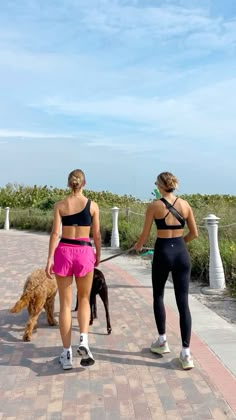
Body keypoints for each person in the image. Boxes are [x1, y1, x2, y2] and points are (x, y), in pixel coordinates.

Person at [134, 172, 198, 370]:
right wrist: (179, 244)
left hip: (162, 252)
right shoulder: (185, 205)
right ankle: (186, 354)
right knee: (183, 302)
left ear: (160, 186)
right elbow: (194, 234)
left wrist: (138, 246)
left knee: (158, 296)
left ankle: (162, 342)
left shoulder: (154, 206)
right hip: (180, 253)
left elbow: (144, 236)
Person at [45, 169, 101, 370]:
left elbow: (54, 233)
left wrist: (50, 259)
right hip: (85, 252)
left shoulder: (60, 205)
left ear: (69, 184)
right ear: (84, 183)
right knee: (84, 299)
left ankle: (66, 353)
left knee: (65, 304)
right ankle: (84, 341)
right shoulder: (93, 206)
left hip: (64, 252)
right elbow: (96, 235)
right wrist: (98, 255)